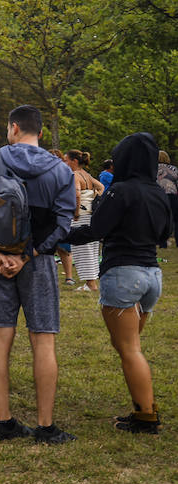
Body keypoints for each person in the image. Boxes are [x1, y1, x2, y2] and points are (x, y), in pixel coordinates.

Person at [0, 105, 77, 444]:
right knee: (43, 340)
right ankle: (45, 426)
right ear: (39, 132)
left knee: (1, 339)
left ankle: (5, 423)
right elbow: (62, 224)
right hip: (38, 263)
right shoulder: (60, 170)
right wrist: (27, 257)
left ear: (14, 128)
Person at [63, 132, 173, 434]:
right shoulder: (159, 193)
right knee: (127, 346)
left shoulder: (119, 190)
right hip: (152, 276)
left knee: (129, 349)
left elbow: (94, 230)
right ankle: (143, 407)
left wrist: (57, 236)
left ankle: (146, 416)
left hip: (124, 274)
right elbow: (164, 235)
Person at [63, 150, 105, 293]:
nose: (64, 163)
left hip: (80, 215)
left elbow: (77, 194)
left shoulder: (74, 175)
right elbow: (101, 187)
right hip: (90, 216)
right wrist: (94, 198)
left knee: (82, 249)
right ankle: (91, 281)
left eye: (66, 160)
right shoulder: (87, 175)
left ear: (74, 161)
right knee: (92, 249)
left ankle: (90, 283)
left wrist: (75, 212)